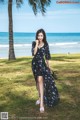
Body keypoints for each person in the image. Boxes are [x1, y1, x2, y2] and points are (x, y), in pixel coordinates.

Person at [31, 29, 60, 113]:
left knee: (41, 81)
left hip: (42, 65)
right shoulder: (34, 43)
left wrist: (49, 67)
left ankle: (42, 104)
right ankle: (40, 98)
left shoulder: (46, 44)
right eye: (38, 35)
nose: (40, 37)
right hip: (35, 65)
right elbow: (33, 53)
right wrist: (36, 44)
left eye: (41, 35)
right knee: (37, 81)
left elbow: (47, 56)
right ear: (37, 36)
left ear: (43, 36)